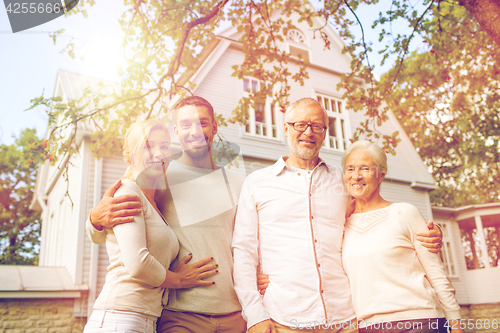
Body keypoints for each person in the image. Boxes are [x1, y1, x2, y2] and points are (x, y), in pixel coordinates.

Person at [231, 97, 443, 333]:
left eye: (317, 126)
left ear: (324, 133)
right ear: (286, 128)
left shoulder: (343, 181)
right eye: (300, 124)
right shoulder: (258, 183)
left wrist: (429, 232)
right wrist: (255, 314)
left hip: (347, 320)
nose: (308, 132)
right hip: (285, 319)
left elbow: (374, 218)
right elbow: (243, 250)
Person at [86, 97, 247, 333]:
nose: (195, 132)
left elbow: (251, 240)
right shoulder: (158, 176)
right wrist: (94, 219)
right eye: (186, 125)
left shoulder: (238, 183)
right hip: (178, 313)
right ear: (176, 131)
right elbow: (112, 225)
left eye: (202, 123)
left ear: (214, 127)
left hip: (233, 313)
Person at [341, 140, 463, 333]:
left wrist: (456, 324)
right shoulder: (341, 226)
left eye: (364, 168)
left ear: (381, 175)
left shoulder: (405, 213)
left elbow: (436, 273)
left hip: (419, 322)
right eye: (350, 169)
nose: (356, 176)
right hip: (369, 326)